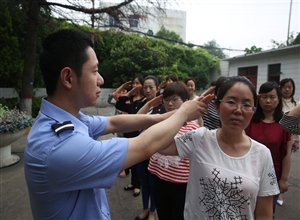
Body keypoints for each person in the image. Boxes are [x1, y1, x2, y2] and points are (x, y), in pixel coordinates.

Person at [24, 28, 213, 220]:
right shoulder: (58, 146)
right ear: (68, 78)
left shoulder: (71, 119)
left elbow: (114, 122)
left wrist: (167, 116)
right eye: (95, 71)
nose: (101, 80)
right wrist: (182, 113)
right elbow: (144, 146)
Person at [158, 76, 279, 219]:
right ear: (217, 107)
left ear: (253, 111)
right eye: (231, 102)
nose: (238, 110)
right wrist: (182, 114)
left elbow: (264, 214)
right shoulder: (200, 138)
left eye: (247, 105)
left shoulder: (262, 154)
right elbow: (160, 144)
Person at [140, 81, 200, 220]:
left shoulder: (194, 129)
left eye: (175, 99)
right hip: (159, 179)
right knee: (164, 214)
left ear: (186, 101)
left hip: (181, 185)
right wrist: (149, 104)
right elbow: (137, 118)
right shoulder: (160, 123)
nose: (170, 104)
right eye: (167, 100)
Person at [245, 81, 292, 215]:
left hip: (272, 177)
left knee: (266, 213)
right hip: (249, 173)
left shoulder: (284, 123)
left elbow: (287, 154)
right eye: (264, 97)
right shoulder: (250, 119)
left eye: (272, 97)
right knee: (247, 211)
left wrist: (283, 179)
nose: (268, 100)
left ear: (278, 99)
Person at [135, 75, 166, 220]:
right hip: (141, 151)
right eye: (145, 87)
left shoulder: (163, 107)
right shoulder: (142, 104)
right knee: (144, 182)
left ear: (157, 88)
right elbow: (135, 120)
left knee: (153, 184)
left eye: (151, 87)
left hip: (156, 152)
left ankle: (153, 211)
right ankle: (145, 209)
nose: (147, 90)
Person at [114, 76, 145, 195]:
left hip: (138, 134)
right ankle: (133, 182)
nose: (135, 85)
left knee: (137, 161)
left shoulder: (144, 100)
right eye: (133, 83)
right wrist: (130, 93)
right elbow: (118, 104)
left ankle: (138, 184)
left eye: (138, 83)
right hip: (128, 133)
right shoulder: (131, 100)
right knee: (130, 160)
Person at [278, 78, 299, 205]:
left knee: (284, 164)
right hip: (275, 137)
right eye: (284, 87)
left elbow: (297, 126)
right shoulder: (276, 102)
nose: (287, 89)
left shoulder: (297, 104)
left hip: (289, 139)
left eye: (289, 87)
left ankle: (279, 191)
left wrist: (297, 140)